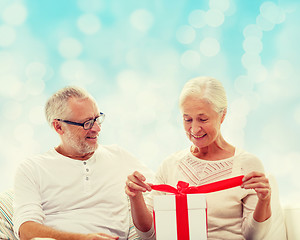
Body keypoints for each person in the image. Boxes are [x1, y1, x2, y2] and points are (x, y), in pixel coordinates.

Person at [125, 76, 275, 240]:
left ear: (222, 114)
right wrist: (135, 197)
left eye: (203, 119)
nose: (195, 129)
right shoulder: (170, 165)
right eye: (187, 119)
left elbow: (254, 237)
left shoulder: (247, 165)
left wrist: (264, 200)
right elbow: (149, 235)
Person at [13, 86, 153, 240]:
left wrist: (136, 195)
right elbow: (25, 230)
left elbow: (163, 194)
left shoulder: (119, 156)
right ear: (58, 126)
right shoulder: (32, 169)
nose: (97, 128)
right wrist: (82, 238)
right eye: (87, 123)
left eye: (97, 119)